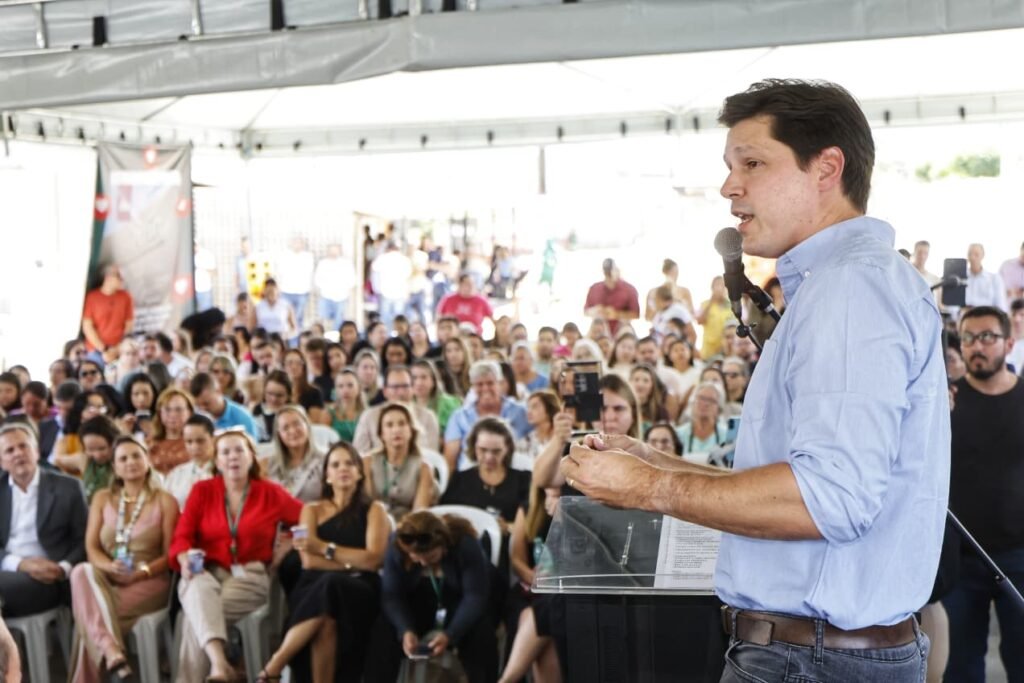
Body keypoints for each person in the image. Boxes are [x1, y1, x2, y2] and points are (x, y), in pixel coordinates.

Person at [560, 79, 947, 682]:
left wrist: (649, 489)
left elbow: (829, 499)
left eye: (752, 163)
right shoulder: (842, 284)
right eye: (729, 167)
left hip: (813, 660)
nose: (729, 187)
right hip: (812, 654)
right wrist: (658, 464)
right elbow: (804, 480)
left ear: (827, 168)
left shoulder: (850, 288)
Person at [169, 429, 303, 682]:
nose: (233, 456)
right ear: (217, 461)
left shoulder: (270, 493)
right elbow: (182, 536)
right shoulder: (202, 491)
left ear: (251, 457)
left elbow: (308, 518)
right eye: (225, 452)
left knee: (195, 618)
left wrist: (290, 542)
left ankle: (219, 666)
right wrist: (184, 558)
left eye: (239, 450)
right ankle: (221, 665)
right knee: (195, 589)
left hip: (250, 575)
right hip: (207, 570)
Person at [258, 442, 389, 682]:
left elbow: (374, 560)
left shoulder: (375, 510)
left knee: (331, 585)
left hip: (360, 588)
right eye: (335, 465)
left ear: (360, 472)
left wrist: (322, 547)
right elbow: (308, 561)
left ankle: (275, 665)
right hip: (314, 585)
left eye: (350, 463)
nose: (343, 469)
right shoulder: (312, 510)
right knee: (327, 615)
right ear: (327, 475)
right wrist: (352, 562)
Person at [943, 306, 1024, 681]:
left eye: (987, 337)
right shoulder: (946, 403)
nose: (977, 346)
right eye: (969, 338)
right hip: (961, 559)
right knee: (960, 667)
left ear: (1009, 342)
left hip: (1019, 555)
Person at [68, 436, 178, 682]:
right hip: (108, 576)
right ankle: (112, 652)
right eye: (123, 458)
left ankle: (110, 655)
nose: (131, 462)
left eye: (137, 456)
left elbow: (169, 555)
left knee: (91, 616)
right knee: (81, 571)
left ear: (147, 461)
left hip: (149, 579)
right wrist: (109, 567)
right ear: (115, 468)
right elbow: (91, 547)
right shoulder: (102, 498)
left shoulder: (165, 501)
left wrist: (141, 572)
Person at [366, 511, 497, 683]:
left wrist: (451, 634)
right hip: (416, 603)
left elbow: (475, 597)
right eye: (416, 559)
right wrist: (405, 629)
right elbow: (392, 595)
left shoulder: (466, 544)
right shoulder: (397, 545)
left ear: (444, 545)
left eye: (431, 557)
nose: (424, 563)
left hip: (458, 603)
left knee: (481, 632)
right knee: (384, 630)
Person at [0, 422, 88, 617]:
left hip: (48, 576)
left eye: (23, 446)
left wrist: (62, 569)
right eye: (9, 450)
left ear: (37, 451)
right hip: (10, 568)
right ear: (2, 462)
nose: (18, 453)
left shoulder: (69, 487)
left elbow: (84, 540)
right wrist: (19, 563)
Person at [500, 485, 563, 683]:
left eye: (557, 494)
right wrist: (534, 578)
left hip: (560, 590)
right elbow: (517, 560)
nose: (551, 500)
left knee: (541, 618)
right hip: (530, 588)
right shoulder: (528, 508)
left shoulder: (576, 509)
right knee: (536, 617)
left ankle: (507, 679)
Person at [443, 360, 532, 472]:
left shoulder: (519, 411)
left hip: (513, 472)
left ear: (499, 384)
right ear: (472, 387)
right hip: (471, 474)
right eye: (479, 384)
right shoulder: (460, 417)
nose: (485, 388)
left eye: (490, 383)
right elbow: (450, 459)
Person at [362, 403, 437, 519]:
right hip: (374, 521)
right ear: (381, 434)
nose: (396, 430)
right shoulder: (367, 462)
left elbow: (418, 515)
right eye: (389, 425)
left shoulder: (424, 468)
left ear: (411, 431)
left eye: (402, 424)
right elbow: (366, 507)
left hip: (408, 524)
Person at [352, 365, 441, 454]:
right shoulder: (369, 416)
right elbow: (359, 454)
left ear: (413, 389)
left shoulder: (428, 417)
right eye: (395, 387)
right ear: (385, 391)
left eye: (405, 386)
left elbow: (432, 456)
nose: (401, 392)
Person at [263, 405, 326, 503]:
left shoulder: (326, 459)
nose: (292, 431)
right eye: (285, 428)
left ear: (307, 425)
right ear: (279, 434)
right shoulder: (269, 464)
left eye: (297, 424)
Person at [164, 414, 217, 510]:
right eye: (189, 441)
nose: (194, 447)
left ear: (213, 439)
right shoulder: (177, 474)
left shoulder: (226, 471)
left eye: (200, 441)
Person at [81, 264, 134, 358]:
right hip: (96, 349)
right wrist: (104, 349)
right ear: (108, 277)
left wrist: (118, 348)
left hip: (119, 349)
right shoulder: (92, 297)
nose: (122, 280)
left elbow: (129, 326)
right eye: (119, 277)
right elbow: (87, 327)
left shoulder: (126, 297)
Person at [583, 258, 640, 337]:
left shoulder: (629, 289)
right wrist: (596, 310)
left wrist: (616, 314)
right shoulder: (594, 288)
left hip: (621, 330)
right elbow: (586, 311)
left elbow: (636, 314)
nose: (609, 275)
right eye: (607, 272)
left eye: (611, 271)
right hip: (599, 331)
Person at [190, 372, 258, 438]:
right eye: (198, 405)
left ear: (219, 391)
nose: (202, 408)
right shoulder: (195, 417)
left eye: (206, 403)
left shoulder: (243, 418)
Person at [147, 387, 195, 476]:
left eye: (178, 410)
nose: (173, 414)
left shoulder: (196, 442)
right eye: (167, 410)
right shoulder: (149, 443)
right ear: (160, 413)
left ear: (189, 412)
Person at [675, 381, 728, 460]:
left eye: (711, 400)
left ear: (719, 408)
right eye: (701, 398)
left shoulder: (726, 436)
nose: (705, 404)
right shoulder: (678, 434)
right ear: (692, 402)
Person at [411, 359, 462, 437]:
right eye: (414, 378)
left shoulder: (450, 404)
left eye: (424, 377)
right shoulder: (406, 404)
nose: (419, 383)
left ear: (433, 381)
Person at [371, 241, 414, 330]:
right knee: (398, 318)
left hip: (386, 292)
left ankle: (386, 334)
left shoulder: (383, 258)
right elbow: (408, 277)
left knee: (385, 318)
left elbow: (374, 270)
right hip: (398, 292)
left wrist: (376, 289)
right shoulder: (404, 259)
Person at [314, 243, 357, 332]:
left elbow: (352, 279)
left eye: (335, 250)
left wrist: (345, 288)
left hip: (341, 296)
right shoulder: (323, 263)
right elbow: (317, 279)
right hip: (326, 295)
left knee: (338, 320)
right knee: (323, 318)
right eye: (331, 250)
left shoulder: (346, 263)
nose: (333, 253)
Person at [282, 349, 329, 425]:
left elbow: (315, 422)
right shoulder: (279, 392)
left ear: (303, 367)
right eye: (290, 363)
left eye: (298, 363)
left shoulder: (314, 392)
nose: (294, 367)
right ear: (284, 367)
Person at [696, 275, 736, 359]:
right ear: (712, 288)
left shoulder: (731, 305)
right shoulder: (705, 304)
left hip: (727, 348)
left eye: (723, 285)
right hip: (710, 350)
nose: (720, 288)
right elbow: (699, 321)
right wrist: (711, 302)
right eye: (717, 285)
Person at [517, 390, 560, 464]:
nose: (529, 412)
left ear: (549, 409)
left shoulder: (563, 438)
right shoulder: (525, 442)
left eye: (535, 407)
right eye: (528, 407)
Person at [965, 243, 1009, 311]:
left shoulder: (994, 279)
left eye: (976, 254)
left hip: (987, 314)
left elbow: (1001, 304)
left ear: (983, 256)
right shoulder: (960, 279)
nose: (972, 258)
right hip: (964, 315)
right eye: (970, 254)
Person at [327, 368, 365, 444]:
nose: (345, 390)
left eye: (350, 385)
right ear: (336, 390)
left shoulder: (366, 413)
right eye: (340, 386)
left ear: (359, 388)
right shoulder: (328, 413)